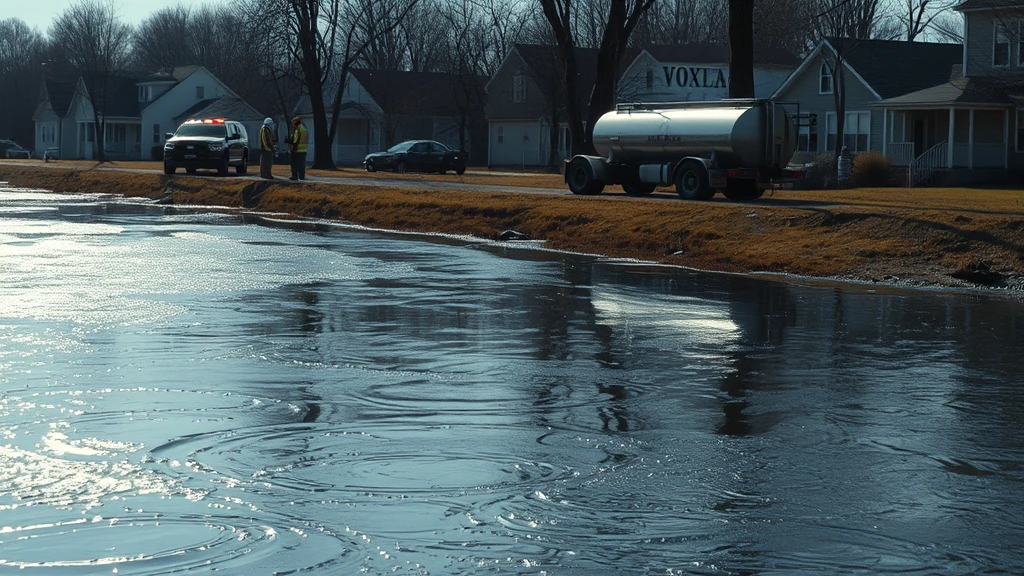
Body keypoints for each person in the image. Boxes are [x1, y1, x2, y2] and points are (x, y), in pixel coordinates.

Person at [288, 116, 308, 181]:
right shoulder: (304, 129)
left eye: (293, 123)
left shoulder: (297, 130)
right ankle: (302, 176)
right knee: (301, 165)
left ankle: (295, 176)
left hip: (296, 150)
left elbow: (295, 141)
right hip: (304, 149)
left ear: (296, 123)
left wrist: (289, 141)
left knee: (294, 164)